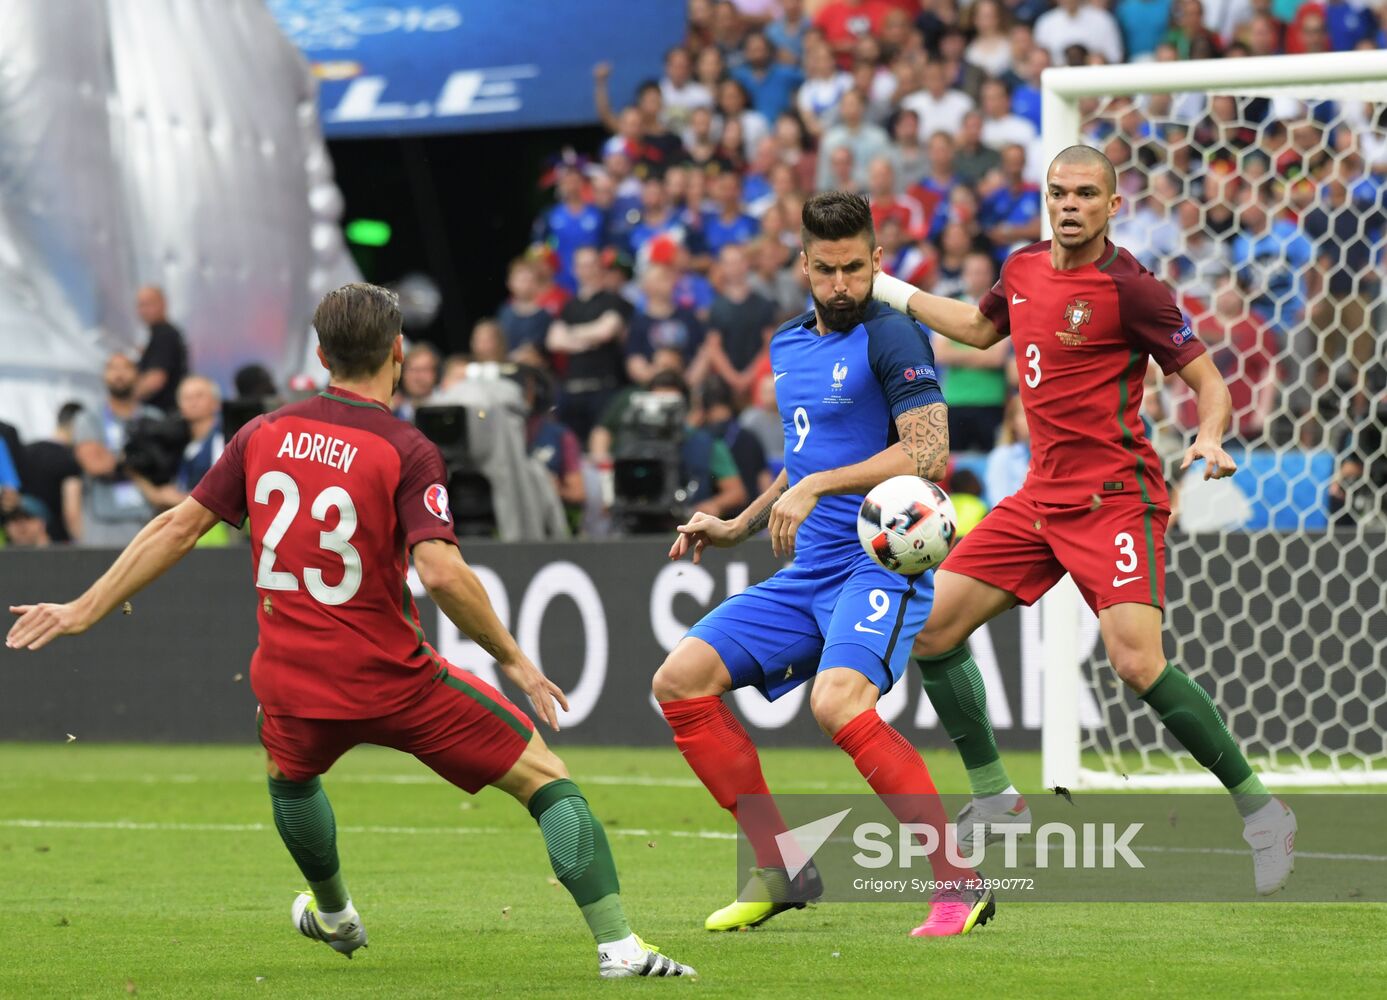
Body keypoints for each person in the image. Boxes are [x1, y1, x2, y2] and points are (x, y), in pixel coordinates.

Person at [5, 282, 695, 980]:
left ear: (320, 353)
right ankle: (619, 949)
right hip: (393, 679)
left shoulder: (261, 434)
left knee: (288, 773)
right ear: (398, 351)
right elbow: (445, 573)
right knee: (546, 781)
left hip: (290, 679)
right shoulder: (405, 447)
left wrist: (83, 608)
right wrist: (512, 657)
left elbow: (178, 526)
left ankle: (333, 912)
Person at [870, 146, 1297, 895]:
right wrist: (882, 287)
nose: (1068, 205)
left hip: (1114, 499)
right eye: (1057, 192)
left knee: (1134, 663)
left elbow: (1204, 378)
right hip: (1039, 498)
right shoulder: (1025, 267)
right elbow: (975, 330)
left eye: (1084, 194)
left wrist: (1208, 434)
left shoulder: (1131, 287)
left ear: (1110, 205)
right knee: (930, 629)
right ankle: (995, 795)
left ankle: (1262, 812)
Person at [652, 192, 992, 939]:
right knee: (679, 682)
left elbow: (928, 452)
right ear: (802, 265)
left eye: (854, 269)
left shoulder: (893, 334)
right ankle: (779, 869)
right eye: (826, 270)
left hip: (880, 563)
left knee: (838, 704)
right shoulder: (786, 345)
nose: (841, 285)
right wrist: (739, 523)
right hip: (809, 571)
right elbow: (804, 462)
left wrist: (813, 486)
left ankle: (958, 885)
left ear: (876, 261)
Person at [72, 352, 163, 546]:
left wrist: (116, 460)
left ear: (138, 374)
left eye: (126, 368)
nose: (119, 374)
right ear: (104, 376)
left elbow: (165, 468)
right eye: (112, 368)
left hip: (149, 520)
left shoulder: (155, 418)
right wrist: (139, 461)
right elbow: (96, 465)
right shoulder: (88, 418)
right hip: (103, 524)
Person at [547, 247, 633, 442]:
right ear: (574, 270)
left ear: (601, 267)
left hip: (605, 388)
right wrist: (589, 338)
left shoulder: (615, 300)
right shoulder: (569, 305)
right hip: (572, 390)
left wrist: (571, 334)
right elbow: (553, 341)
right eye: (582, 265)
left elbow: (605, 332)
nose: (587, 270)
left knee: (601, 444)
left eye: (591, 264)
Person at [130, 375, 226, 513]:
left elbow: (224, 495)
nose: (193, 402)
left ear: (216, 403)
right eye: (186, 398)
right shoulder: (185, 445)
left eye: (199, 396)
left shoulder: (222, 440)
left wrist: (176, 498)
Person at [21, 402, 84, 543]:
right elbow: (72, 513)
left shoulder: (25, 450)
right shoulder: (70, 460)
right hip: (56, 545)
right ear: (77, 426)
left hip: (18, 544)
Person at [135, 285, 190, 414]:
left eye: (149, 304)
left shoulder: (164, 334)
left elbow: (155, 380)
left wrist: (125, 398)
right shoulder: (158, 335)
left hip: (164, 416)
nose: (144, 310)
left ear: (163, 304)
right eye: (140, 305)